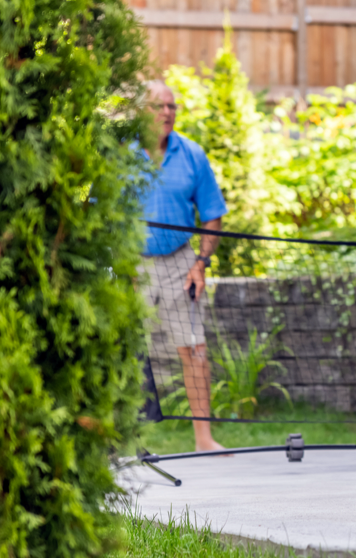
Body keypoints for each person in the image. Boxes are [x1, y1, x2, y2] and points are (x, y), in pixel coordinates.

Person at [139, 80, 228, 453]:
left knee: (194, 349)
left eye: (172, 106)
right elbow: (98, 211)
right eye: (159, 106)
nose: (167, 113)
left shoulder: (192, 154)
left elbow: (212, 215)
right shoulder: (118, 155)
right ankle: (115, 441)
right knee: (119, 351)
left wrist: (201, 264)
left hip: (180, 261)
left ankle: (204, 440)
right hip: (133, 264)